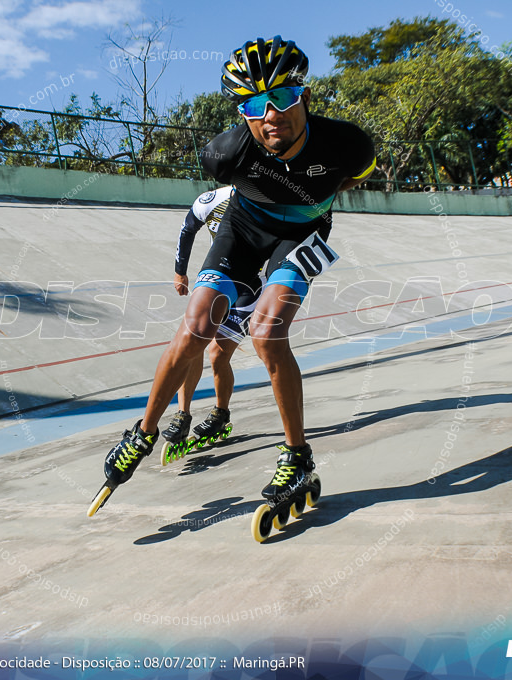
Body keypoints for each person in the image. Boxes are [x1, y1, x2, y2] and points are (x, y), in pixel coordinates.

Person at [99, 35, 376, 503]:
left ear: (304, 96)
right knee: (196, 327)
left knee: (268, 334)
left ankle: (297, 457)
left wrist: (313, 203)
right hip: (243, 231)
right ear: (241, 113)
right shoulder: (224, 155)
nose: (271, 115)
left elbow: (349, 179)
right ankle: (142, 434)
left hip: (300, 235)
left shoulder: (348, 145)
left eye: (283, 97)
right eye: (254, 104)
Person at [159, 186, 264, 464]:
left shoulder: (265, 196)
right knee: (194, 343)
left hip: (251, 285)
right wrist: (180, 272)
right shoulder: (211, 200)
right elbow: (187, 229)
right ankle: (182, 414)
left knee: (218, 354)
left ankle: (220, 412)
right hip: (221, 279)